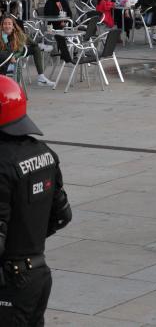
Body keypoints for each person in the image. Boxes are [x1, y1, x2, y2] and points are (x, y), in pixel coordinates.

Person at [0, 75, 72, 324]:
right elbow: (62, 215)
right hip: (38, 275)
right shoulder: (45, 153)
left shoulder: (2, 164)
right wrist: (29, 238)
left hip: (10, 283)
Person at [0, 16, 56, 86]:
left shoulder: (18, 34)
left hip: (16, 54)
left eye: (9, 24)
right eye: (5, 24)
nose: (7, 26)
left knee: (35, 47)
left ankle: (41, 77)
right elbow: (4, 51)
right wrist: (5, 38)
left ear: (13, 26)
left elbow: (20, 50)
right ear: (2, 26)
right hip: (4, 59)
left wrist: (14, 56)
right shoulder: (1, 36)